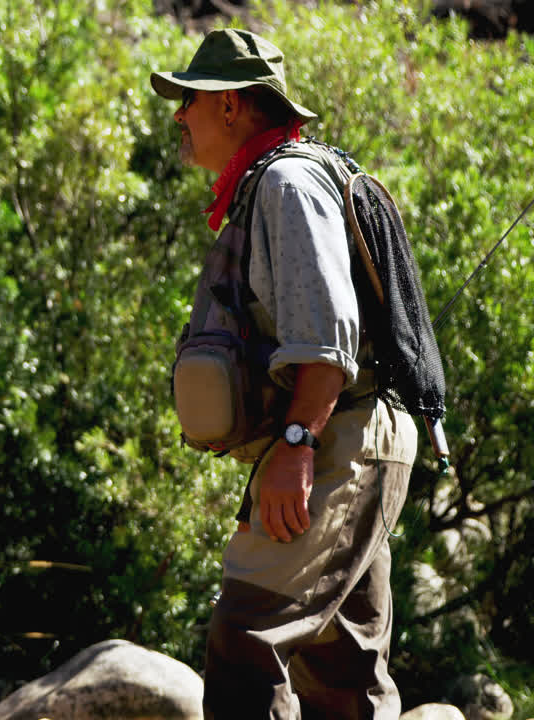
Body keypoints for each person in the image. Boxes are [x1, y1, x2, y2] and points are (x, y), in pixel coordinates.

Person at [150, 29, 420, 719]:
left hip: (334, 441)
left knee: (247, 637)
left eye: (191, 100)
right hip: (347, 438)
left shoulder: (287, 182)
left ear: (234, 106)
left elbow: (326, 335)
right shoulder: (274, 180)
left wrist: (297, 443)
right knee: (340, 668)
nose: (180, 116)